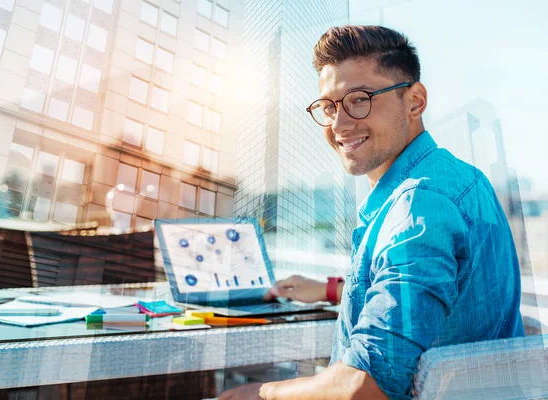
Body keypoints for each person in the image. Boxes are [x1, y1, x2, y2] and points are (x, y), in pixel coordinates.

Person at [220, 25, 524, 400]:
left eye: (359, 99)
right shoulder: (459, 179)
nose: (339, 124)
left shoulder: (419, 204)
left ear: (414, 101)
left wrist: (262, 393)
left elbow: (365, 386)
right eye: (329, 106)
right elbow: (434, 291)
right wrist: (332, 290)